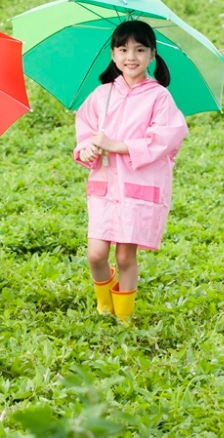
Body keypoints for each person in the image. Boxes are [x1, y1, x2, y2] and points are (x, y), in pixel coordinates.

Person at [74, 20, 188, 324]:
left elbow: (166, 138)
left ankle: (124, 315)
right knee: (96, 254)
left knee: (125, 256)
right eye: (123, 49)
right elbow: (85, 130)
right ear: (113, 54)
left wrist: (118, 145)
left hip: (137, 187)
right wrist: (87, 148)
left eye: (140, 49)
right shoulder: (102, 95)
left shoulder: (159, 97)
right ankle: (104, 303)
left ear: (152, 55)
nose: (131, 57)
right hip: (104, 186)